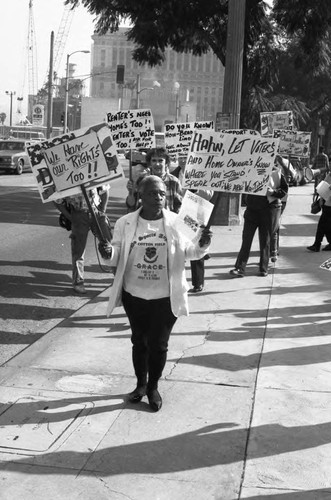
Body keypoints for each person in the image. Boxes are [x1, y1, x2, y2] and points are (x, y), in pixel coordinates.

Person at [98, 176, 212, 412]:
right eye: (152, 193)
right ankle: (140, 385)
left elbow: (191, 252)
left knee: (159, 344)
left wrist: (203, 244)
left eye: (161, 193)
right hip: (135, 294)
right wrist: (107, 251)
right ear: (141, 195)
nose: (158, 197)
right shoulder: (125, 222)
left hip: (165, 296)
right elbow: (116, 254)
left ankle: (153, 387)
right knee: (139, 342)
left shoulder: (178, 221)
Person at [229, 166, 288, 278]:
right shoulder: (250, 167)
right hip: (252, 210)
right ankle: (240, 268)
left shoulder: (276, 172)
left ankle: (263, 268)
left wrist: (273, 192)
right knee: (246, 240)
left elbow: (284, 191)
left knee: (265, 240)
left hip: (268, 211)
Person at [54, 184, 112, 294]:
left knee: (110, 246)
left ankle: (119, 276)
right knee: (78, 251)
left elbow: (105, 191)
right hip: (78, 213)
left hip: (97, 211)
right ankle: (78, 282)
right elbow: (56, 200)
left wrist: (102, 211)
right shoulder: (65, 179)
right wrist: (71, 217)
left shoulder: (93, 170)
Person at [172, 157, 214, 292]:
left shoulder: (201, 173)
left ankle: (198, 282)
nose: (183, 160)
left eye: (186, 157)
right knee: (177, 249)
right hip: (177, 215)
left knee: (196, 247)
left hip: (196, 215)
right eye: (181, 157)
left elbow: (209, 194)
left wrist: (194, 188)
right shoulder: (172, 175)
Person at [126, 147, 182, 213]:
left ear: (166, 163)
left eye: (160, 160)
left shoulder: (174, 181)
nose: (157, 164)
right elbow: (131, 205)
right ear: (149, 163)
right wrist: (131, 192)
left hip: (167, 222)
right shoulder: (142, 180)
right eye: (154, 160)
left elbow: (179, 208)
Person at [270, 156, 289, 261]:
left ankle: (274, 250)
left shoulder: (284, 163)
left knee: (275, 224)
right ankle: (272, 248)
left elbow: (290, 175)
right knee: (272, 224)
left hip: (281, 200)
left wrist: (283, 164)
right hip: (270, 200)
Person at [307, 172, 331, 252]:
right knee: (326, 225)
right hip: (326, 203)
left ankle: (316, 245)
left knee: (322, 225)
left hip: (329, 205)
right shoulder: (329, 174)